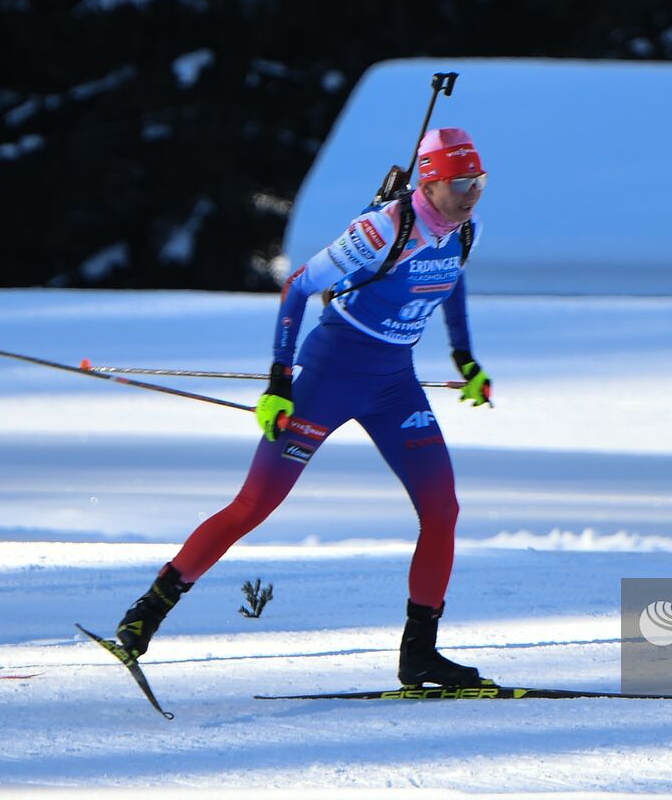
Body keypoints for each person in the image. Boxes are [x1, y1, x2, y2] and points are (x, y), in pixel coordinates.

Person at [111, 127, 494, 687]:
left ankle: (420, 654)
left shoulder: (464, 232)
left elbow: (449, 281)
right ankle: (145, 615)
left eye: (479, 183)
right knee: (254, 505)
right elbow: (296, 286)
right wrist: (277, 383)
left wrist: (465, 360)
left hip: (395, 386)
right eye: (461, 183)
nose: (471, 195)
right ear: (430, 182)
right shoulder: (385, 227)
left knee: (443, 511)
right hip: (329, 377)